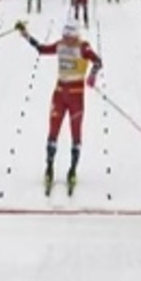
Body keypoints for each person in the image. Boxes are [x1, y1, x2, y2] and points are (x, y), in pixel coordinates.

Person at [16, 19, 102, 193]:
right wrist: (25, 35)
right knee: (53, 132)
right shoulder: (61, 45)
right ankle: (49, 168)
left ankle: (72, 171)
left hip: (76, 96)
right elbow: (41, 49)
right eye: (64, 36)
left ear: (76, 36)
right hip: (59, 94)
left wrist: (92, 75)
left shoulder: (83, 47)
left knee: (75, 133)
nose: (66, 40)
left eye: (69, 37)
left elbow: (98, 62)